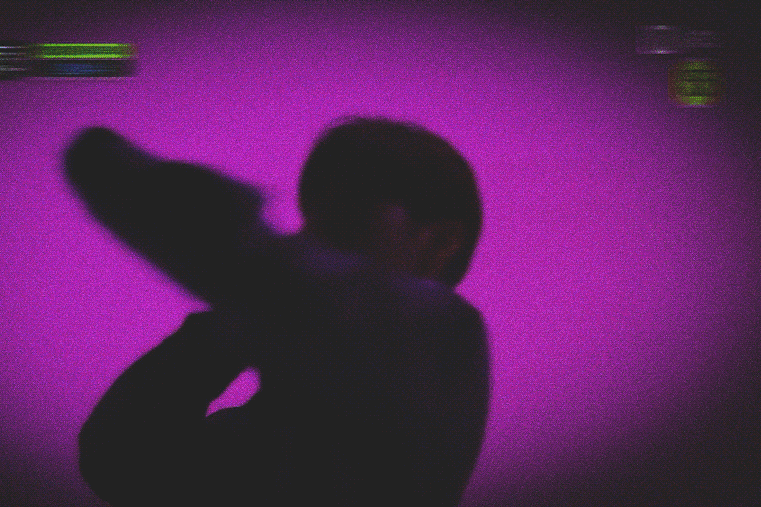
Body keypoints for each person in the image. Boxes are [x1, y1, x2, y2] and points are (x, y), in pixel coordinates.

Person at [68, 117, 490, 507]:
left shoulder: (443, 327)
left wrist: (241, 299)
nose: (312, 242)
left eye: (349, 220)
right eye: (313, 221)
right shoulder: (263, 434)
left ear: (440, 243)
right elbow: (117, 459)